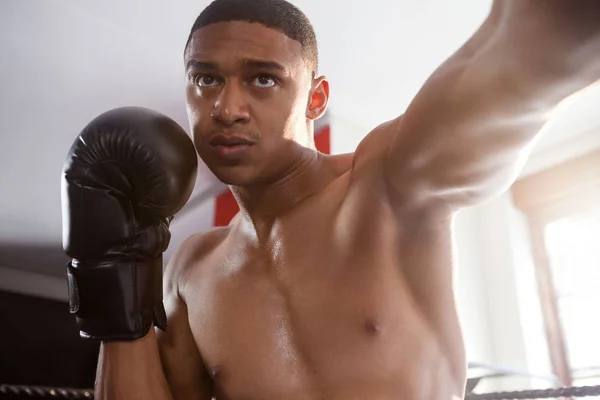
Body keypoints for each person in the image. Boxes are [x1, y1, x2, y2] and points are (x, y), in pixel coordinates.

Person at [61, 0, 600, 399]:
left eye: (263, 80)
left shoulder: (387, 185)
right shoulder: (192, 267)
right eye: (205, 79)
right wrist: (112, 274)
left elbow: (532, 50)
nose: (227, 107)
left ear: (316, 98)